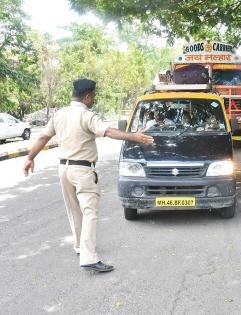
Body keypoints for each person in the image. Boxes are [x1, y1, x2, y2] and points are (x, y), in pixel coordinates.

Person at [23, 79, 154, 272]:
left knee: (74, 211)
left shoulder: (60, 114)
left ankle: (79, 246)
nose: (93, 99)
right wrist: (134, 136)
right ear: (87, 96)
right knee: (90, 213)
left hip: (64, 169)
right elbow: (108, 131)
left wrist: (30, 158)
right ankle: (88, 258)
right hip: (83, 171)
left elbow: (43, 137)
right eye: (93, 96)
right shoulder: (87, 115)